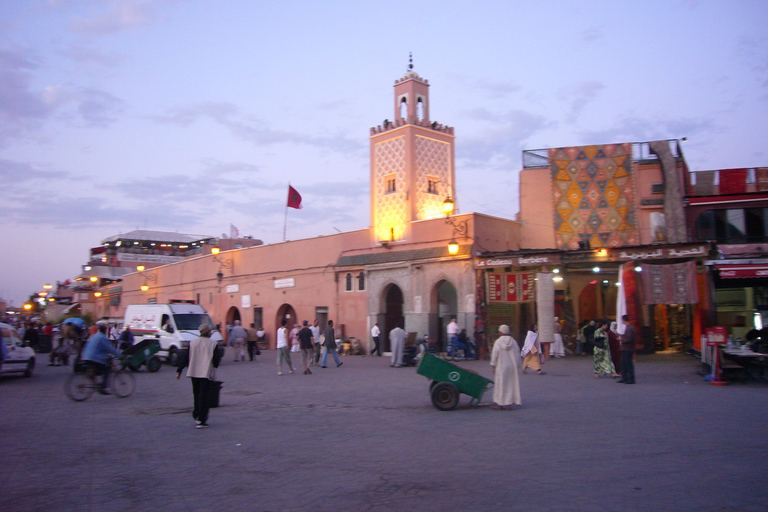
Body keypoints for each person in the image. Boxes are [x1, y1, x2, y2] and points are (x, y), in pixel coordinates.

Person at [175, 323, 222, 429]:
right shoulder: (213, 344)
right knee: (204, 397)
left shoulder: (193, 343)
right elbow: (216, 360)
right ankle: (202, 419)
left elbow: (185, 357)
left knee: (196, 394)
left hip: (194, 372)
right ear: (209, 332)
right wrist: (214, 365)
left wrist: (179, 370)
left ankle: (196, 415)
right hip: (206, 373)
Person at [80, 320, 122, 395]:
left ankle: (95, 382)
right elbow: (110, 349)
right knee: (107, 370)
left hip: (86, 356)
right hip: (94, 358)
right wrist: (119, 355)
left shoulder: (94, 336)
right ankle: (103, 387)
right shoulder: (102, 338)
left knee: (95, 370)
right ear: (105, 329)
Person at [490, 325, 522, 410]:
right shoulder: (513, 342)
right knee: (510, 384)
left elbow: (495, 354)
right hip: (511, 366)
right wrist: (518, 365)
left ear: (501, 332)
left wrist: (493, 365)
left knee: (501, 384)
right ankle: (508, 404)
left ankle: (500, 404)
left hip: (501, 366)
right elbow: (518, 354)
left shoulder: (498, 342)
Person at [618, 314, 637, 384]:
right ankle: (625, 377)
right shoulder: (629, 327)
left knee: (628, 364)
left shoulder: (629, 328)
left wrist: (621, 339)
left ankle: (630, 378)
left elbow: (629, 339)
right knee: (624, 363)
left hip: (628, 349)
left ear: (623, 320)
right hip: (626, 348)